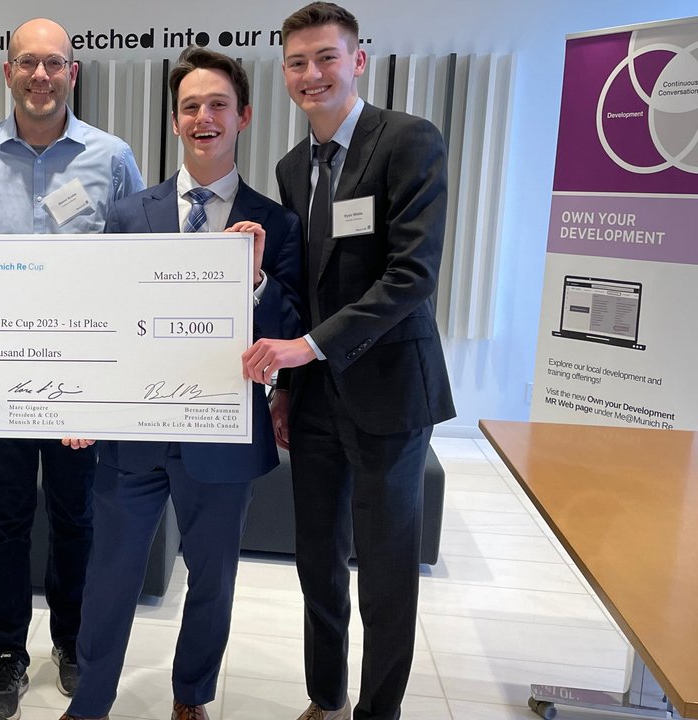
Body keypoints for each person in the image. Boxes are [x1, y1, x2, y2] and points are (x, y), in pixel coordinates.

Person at [59, 46, 303, 720]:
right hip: (133, 435)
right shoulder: (132, 213)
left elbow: (293, 324)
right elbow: (103, 318)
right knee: (108, 579)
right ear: (174, 122)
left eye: (218, 105)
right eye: (191, 106)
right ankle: (91, 703)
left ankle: (191, 696)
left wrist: (254, 279)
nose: (204, 117)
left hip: (222, 435)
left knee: (213, 581)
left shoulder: (275, 222)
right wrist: (86, 401)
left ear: (243, 116)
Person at [244, 4, 457, 719]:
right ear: (284, 74)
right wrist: (288, 384)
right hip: (314, 400)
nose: (313, 74)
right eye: (298, 62)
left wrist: (308, 347)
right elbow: (306, 285)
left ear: (357, 61)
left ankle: (377, 712)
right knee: (318, 564)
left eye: (326, 58)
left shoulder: (407, 141)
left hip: (392, 393)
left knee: (387, 571)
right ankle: (325, 697)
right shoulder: (289, 166)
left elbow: (412, 275)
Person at [0, 17, 145, 720]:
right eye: (27, 63)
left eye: (53, 64)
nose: (40, 76)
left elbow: (135, 265)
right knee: (3, 519)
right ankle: (7, 654)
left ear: (73, 72)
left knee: (75, 516)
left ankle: (70, 641)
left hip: (80, 382)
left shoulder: (112, 156)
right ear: (7, 73)